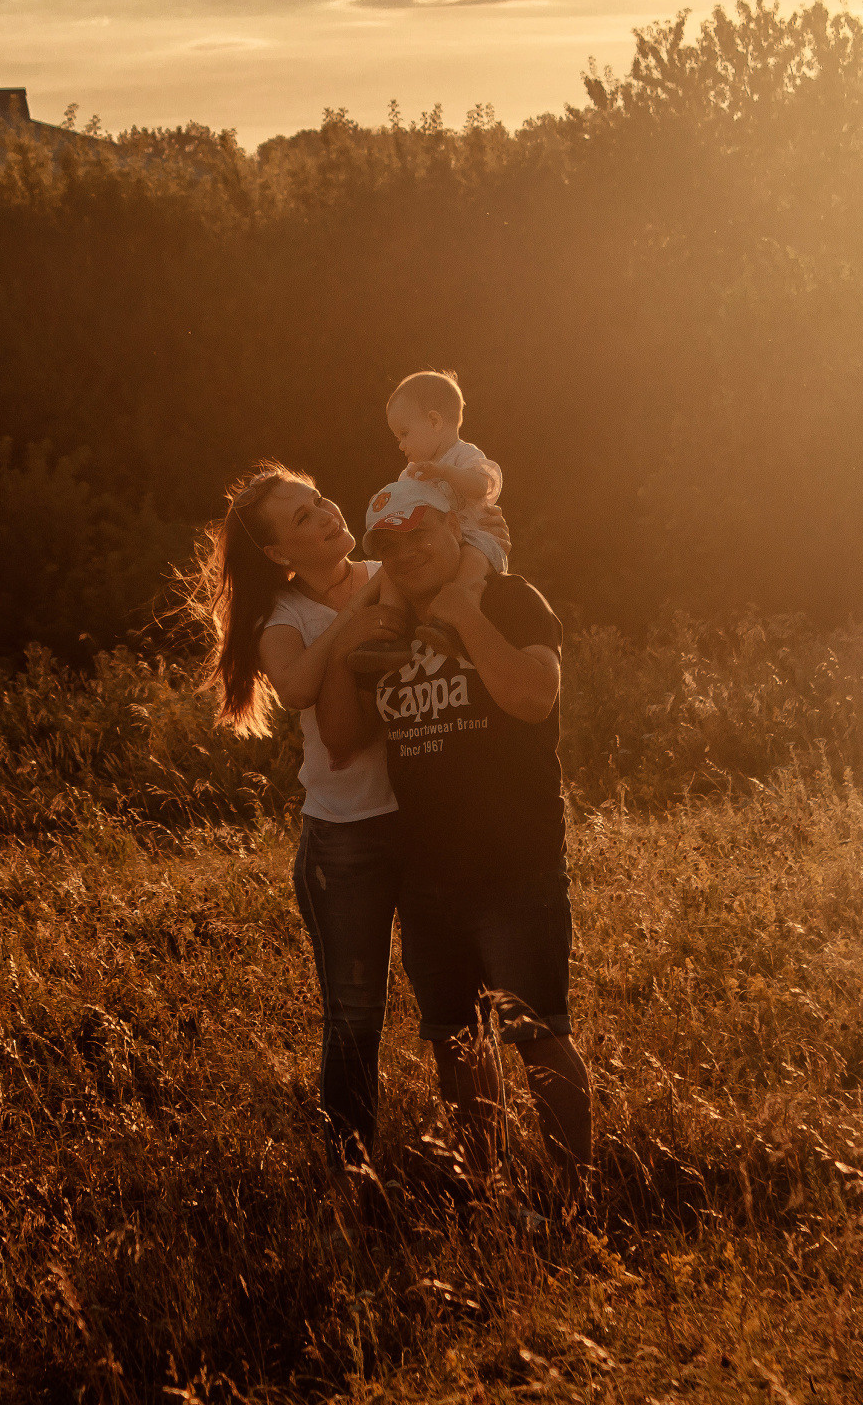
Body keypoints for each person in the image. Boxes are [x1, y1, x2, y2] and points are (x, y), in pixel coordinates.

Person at [316, 478, 593, 1211]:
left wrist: (464, 612)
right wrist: (353, 637)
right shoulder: (387, 631)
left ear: (453, 532)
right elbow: (342, 740)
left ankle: (571, 1196)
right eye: (390, 545)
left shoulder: (508, 598)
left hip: (515, 865)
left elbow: (535, 695)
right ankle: (486, 1190)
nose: (408, 552)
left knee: (537, 1034)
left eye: (422, 534)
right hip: (427, 875)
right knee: (455, 1043)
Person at [189, 462, 399, 1170]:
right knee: (355, 1015)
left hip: (428, 817)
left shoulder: (384, 568)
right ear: (279, 554)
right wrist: (363, 603)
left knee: (453, 992)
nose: (326, 514)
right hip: (344, 838)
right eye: (302, 518)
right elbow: (301, 681)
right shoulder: (285, 617)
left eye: (318, 501)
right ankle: (350, 1168)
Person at [350, 369, 508, 673]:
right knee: (391, 575)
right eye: (398, 437)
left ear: (435, 422)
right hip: (434, 542)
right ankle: (388, 632)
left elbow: (483, 486)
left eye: (404, 434)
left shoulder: (465, 456)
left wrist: (443, 473)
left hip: (475, 535)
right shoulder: (409, 474)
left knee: (474, 561)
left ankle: (451, 621)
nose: (400, 445)